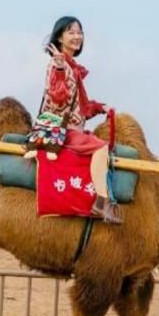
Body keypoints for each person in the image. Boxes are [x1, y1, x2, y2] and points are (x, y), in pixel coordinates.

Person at [38, 16, 119, 224]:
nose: (77, 36)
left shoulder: (72, 67)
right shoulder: (58, 65)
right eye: (71, 32)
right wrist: (58, 68)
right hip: (64, 132)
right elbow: (58, 100)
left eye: (79, 32)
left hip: (75, 128)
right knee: (101, 148)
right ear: (59, 37)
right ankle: (101, 202)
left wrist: (100, 108)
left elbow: (79, 107)